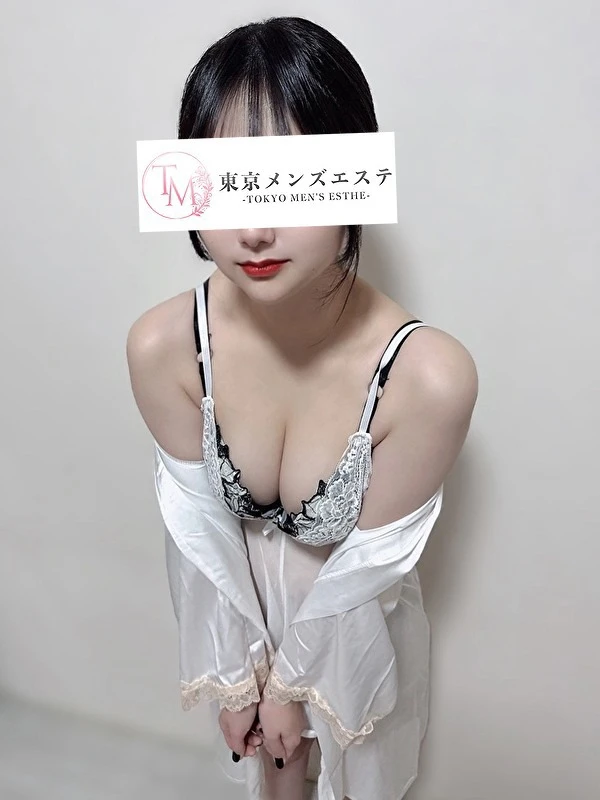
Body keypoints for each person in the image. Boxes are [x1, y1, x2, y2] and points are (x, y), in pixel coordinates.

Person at [127, 16, 478, 800]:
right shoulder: (164, 347)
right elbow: (198, 534)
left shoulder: (427, 377)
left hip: (353, 641)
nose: (255, 229)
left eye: (292, 182)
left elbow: (366, 571)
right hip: (237, 623)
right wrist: (237, 675)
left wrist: (292, 687)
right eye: (229, 184)